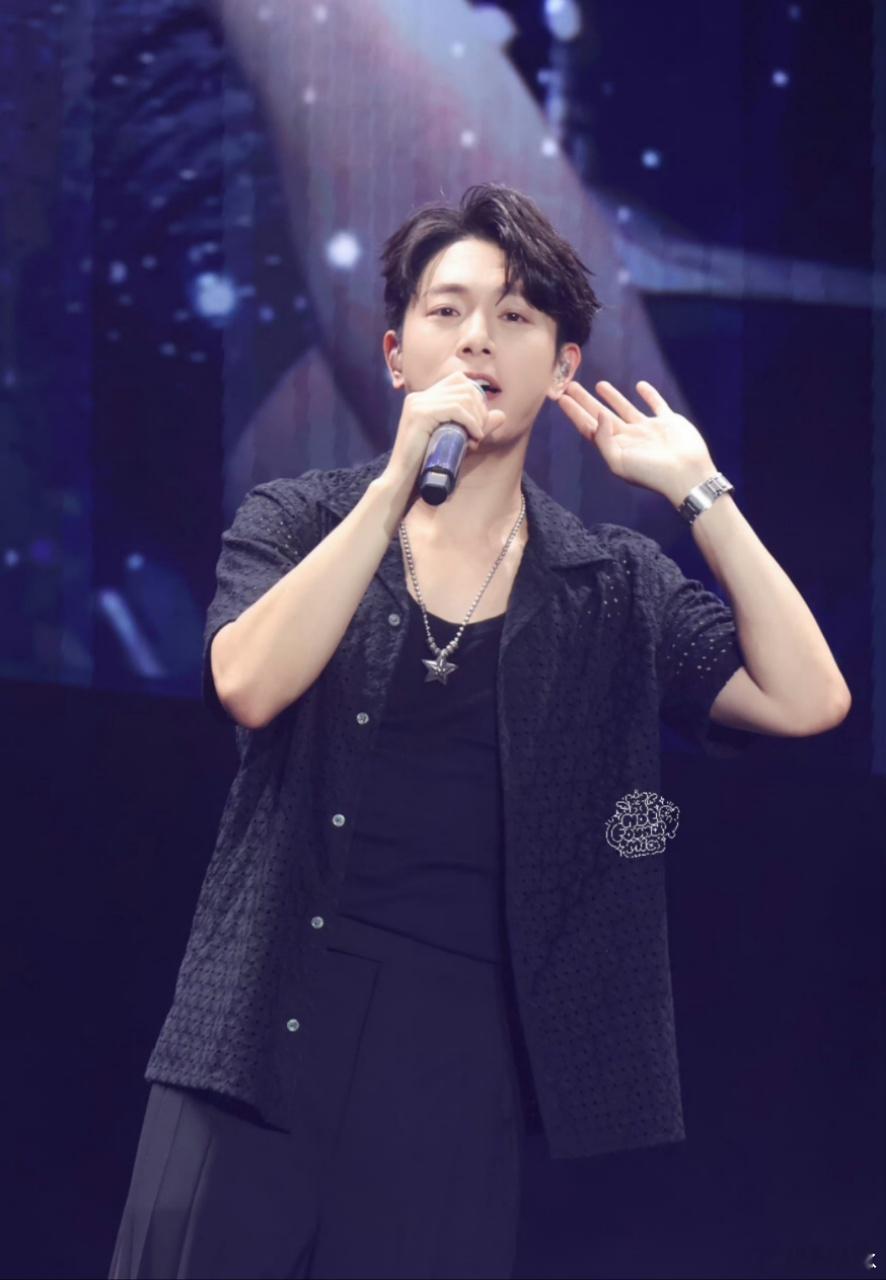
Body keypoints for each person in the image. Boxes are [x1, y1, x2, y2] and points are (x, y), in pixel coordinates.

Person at [108, 184, 850, 1280]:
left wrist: (701, 494)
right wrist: (395, 486)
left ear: (561, 366)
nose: (476, 339)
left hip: (457, 1061)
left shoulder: (612, 583)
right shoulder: (298, 518)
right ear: (395, 353)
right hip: (256, 1034)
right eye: (446, 310)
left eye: (515, 316)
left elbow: (807, 698)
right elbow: (250, 685)